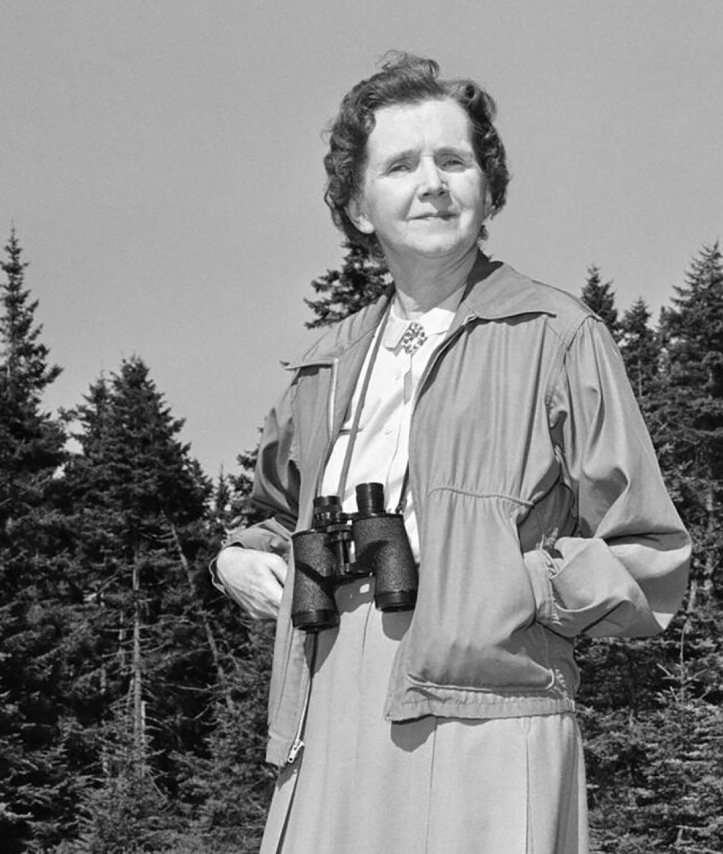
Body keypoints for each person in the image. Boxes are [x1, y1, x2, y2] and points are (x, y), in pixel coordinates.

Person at [213, 52, 691, 854]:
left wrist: (508, 585)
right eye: (401, 164)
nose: (432, 182)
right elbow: (268, 515)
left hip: (493, 714)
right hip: (329, 707)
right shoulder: (323, 365)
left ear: (487, 188)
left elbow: (650, 551)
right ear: (360, 206)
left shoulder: (560, 338)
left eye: (454, 160)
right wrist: (236, 561)